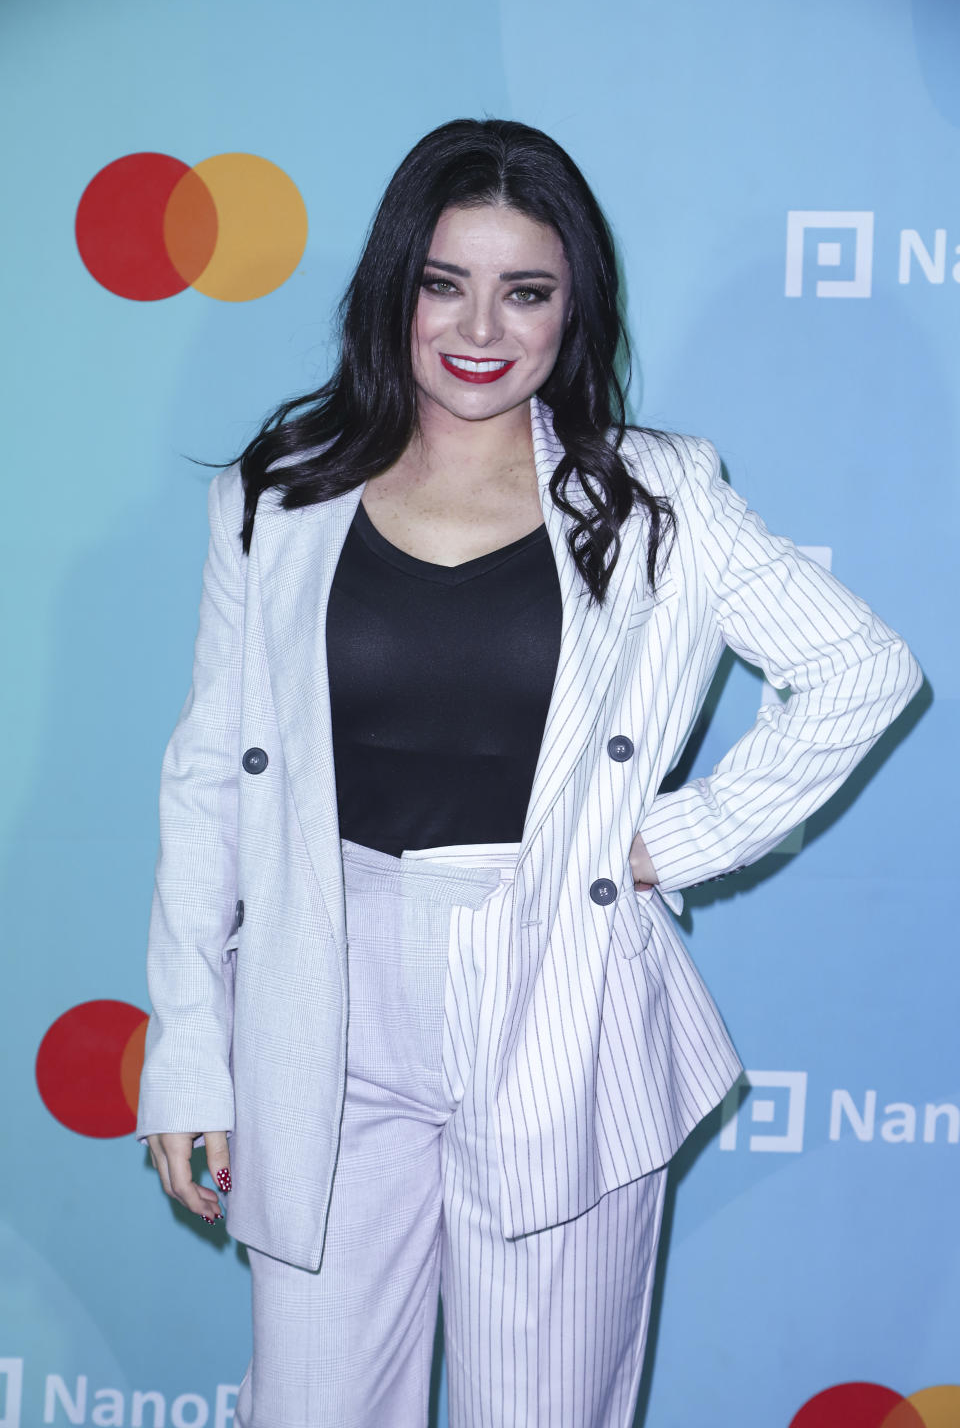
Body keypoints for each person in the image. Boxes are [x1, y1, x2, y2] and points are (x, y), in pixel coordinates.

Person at [136, 118, 922, 1428]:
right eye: (445, 281)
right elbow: (209, 773)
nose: (479, 326)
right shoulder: (276, 494)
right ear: (397, 285)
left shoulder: (658, 497)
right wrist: (186, 1054)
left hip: (560, 995)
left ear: (575, 307)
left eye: (526, 289)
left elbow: (861, 671)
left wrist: (681, 835)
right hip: (318, 991)